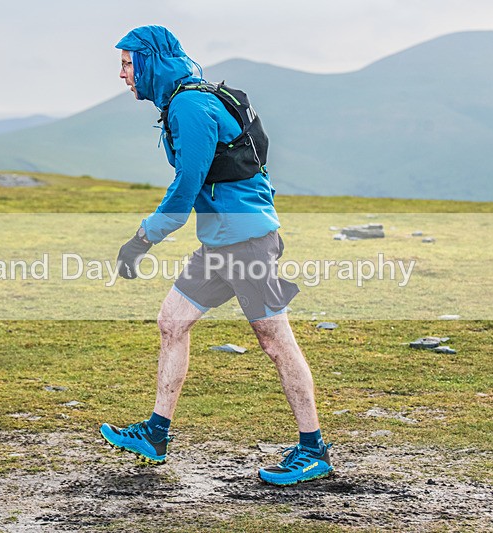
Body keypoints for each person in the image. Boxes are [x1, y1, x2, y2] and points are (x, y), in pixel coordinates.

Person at [99, 25, 332, 486]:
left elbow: (187, 186)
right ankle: (156, 434)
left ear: (150, 61)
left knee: (274, 339)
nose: (122, 74)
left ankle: (313, 450)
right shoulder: (184, 100)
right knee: (172, 321)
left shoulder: (190, 105)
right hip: (221, 243)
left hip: (245, 243)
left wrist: (143, 239)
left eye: (128, 64)